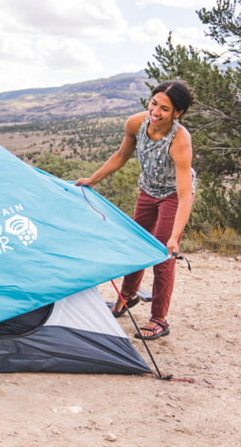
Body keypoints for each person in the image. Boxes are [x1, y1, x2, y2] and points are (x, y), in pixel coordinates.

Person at [75, 80, 196, 340]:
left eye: (165, 108)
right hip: (147, 191)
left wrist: (175, 236)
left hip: (173, 196)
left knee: (162, 256)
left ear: (178, 113)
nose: (156, 112)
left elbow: (185, 194)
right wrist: (92, 180)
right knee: (135, 245)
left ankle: (159, 319)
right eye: (154, 104)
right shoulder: (135, 123)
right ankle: (127, 296)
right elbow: (121, 155)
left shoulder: (180, 141)